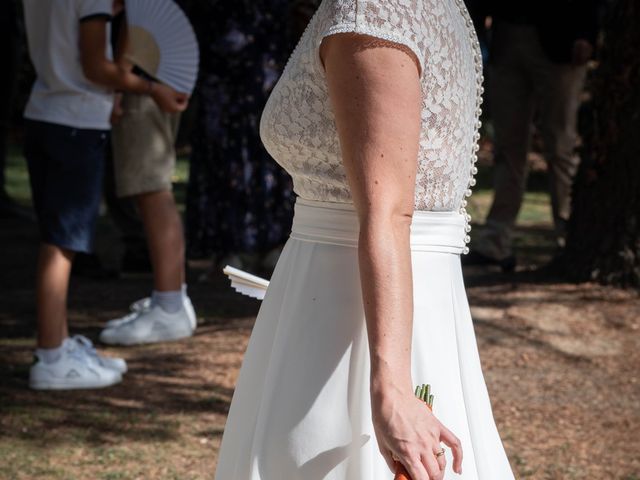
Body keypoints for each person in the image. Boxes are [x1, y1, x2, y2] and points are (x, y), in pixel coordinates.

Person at [214, 1, 514, 479]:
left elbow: (389, 209)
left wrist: (392, 389)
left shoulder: (372, 12)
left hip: (354, 314)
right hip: (359, 294)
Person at [23, 0, 187, 390]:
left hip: (45, 112)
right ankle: (51, 355)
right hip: (76, 119)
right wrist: (151, 88)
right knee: (61, 245)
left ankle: (58, 347)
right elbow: (95, 66)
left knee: (58, 241)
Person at [465, 0, 599, 271]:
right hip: (505, 37)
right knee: (507, 147)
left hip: (562, 40)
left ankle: (569, 236)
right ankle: (496, 242)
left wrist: (587, 33)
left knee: (562, 146)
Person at [99, 7, 197, 346]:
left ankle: (170, 303)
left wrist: (118, 79)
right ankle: (170, 298)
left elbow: (137, 20)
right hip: (152, 77)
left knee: (152, 189)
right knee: (152, 188)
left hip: (146, 82)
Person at [185, 0, 295, 272]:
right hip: (223, 81)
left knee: (269, 156)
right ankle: (227, 246)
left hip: (264, 78)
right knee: (224, 159)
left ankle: (273, 243)